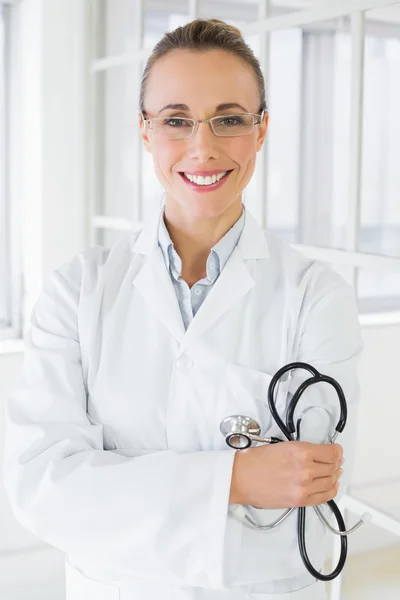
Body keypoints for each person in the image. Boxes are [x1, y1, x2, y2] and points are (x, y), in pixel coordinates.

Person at [3, 18, 363, 600]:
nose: (204, 146)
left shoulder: (316, 296)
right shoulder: (77, 290)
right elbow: (43, 487)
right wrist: (236, 479)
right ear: (145, 132)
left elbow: (310, 494)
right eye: (176, 120)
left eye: (230, 119)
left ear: (261, 129)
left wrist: (123, 491)